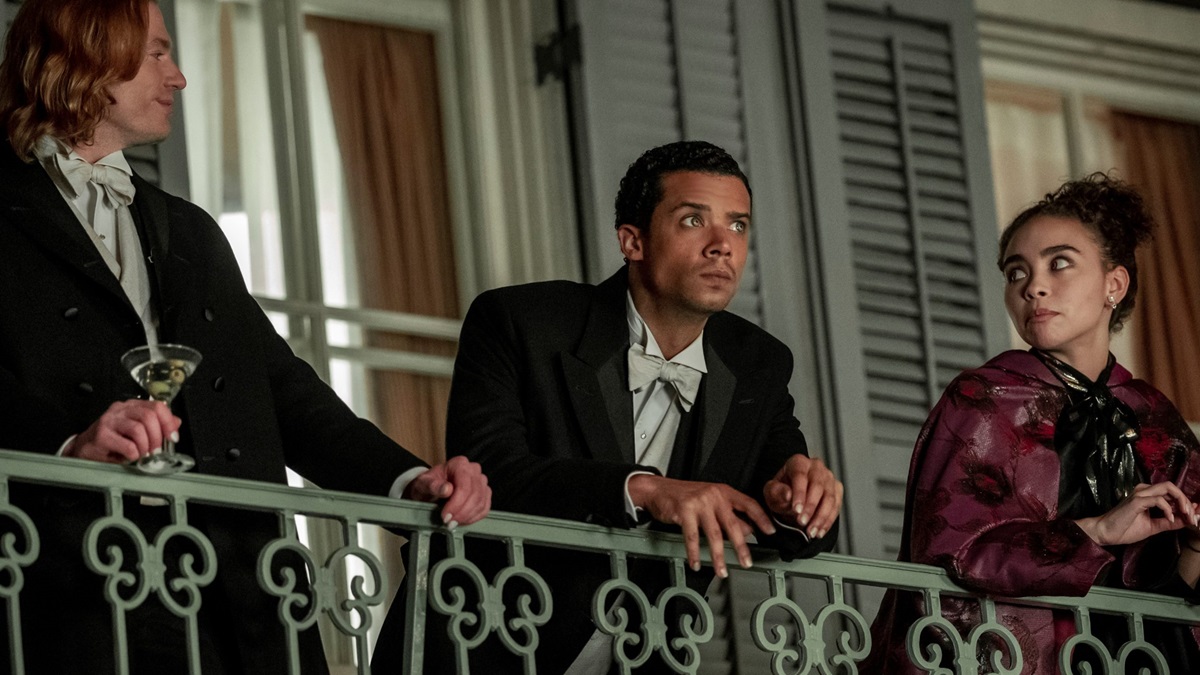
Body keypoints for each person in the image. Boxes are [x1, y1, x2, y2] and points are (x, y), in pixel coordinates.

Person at [0, 0, 490, 672]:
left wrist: (408, 481)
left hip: (243, 592)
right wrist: (66, 448)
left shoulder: (191, 232)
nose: (179, 78)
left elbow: (286, 393)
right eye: (158, 53)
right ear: (87, 52)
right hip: (73, 582)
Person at [372, 140, 844, 673]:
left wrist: (800, 500)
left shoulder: (760, 362)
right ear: (632, 240)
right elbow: (491, 475)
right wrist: (642, 489)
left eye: (738, 225)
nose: (723, 246)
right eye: (694, 220)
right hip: (475, 644)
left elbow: (805, 531)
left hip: (641, 660)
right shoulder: (519, 320)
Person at [865, 173, 1200, 673]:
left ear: (1115, 283)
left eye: (1058, 263)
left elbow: (1177, 593)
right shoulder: (983, 398)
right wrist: (1098, 530)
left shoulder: (1157, 418)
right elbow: (945, 557)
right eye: (1016, 272)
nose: (1034, 286)